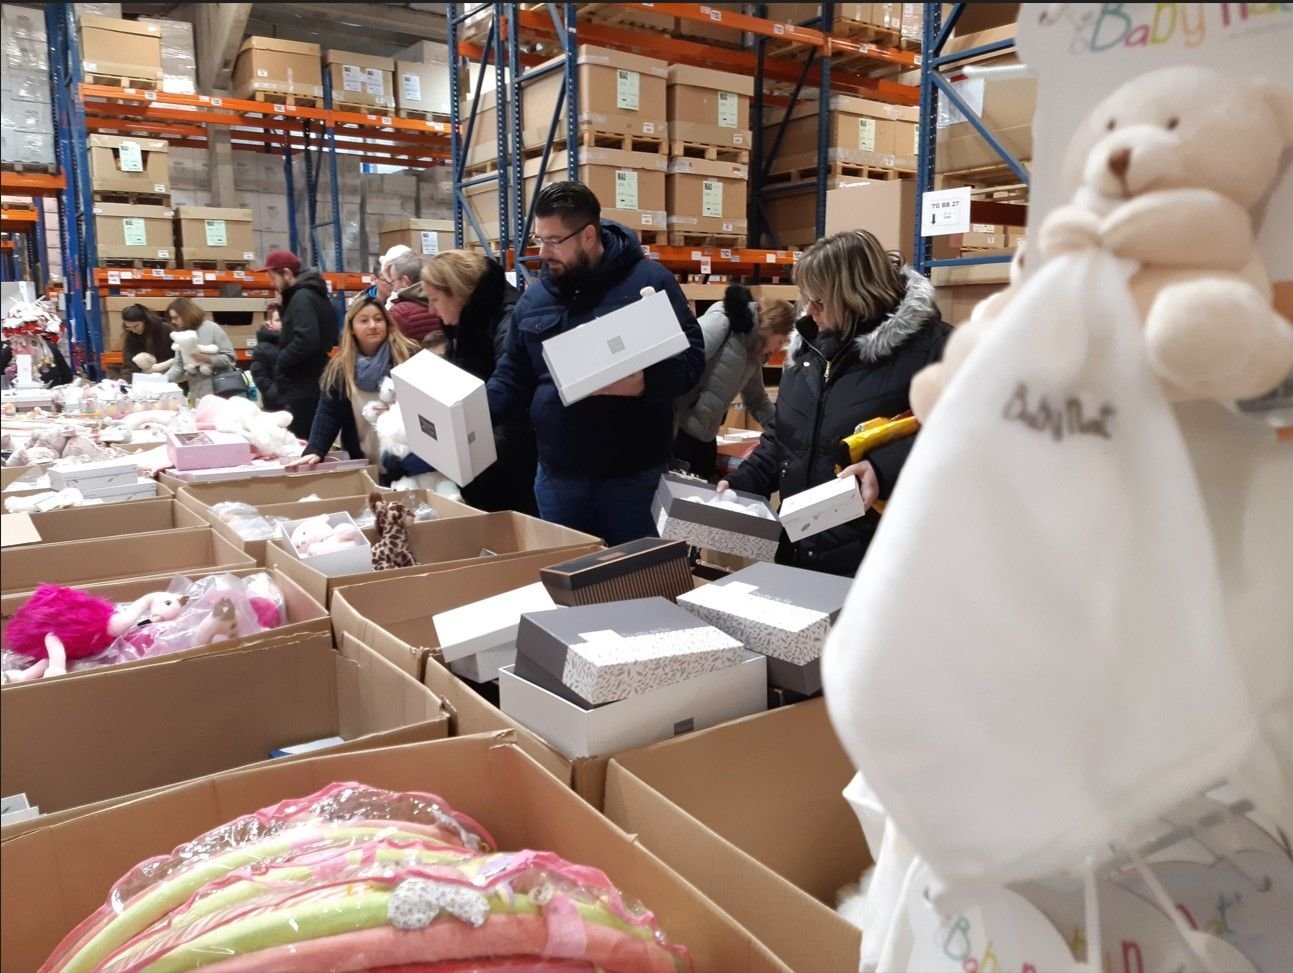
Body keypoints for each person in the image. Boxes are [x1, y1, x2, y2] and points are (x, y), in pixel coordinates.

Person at [717, 229, 951, 577]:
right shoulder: (809, 351)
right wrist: (743, 483)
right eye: (807, 298)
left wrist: (884, 468)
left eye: (821, 301)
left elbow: (965, 438)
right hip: (800, 549)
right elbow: (785, 436)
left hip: (877, 563)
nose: (809, 312)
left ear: (856, 295)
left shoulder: (933, 350)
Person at [485, 181, 705, 545]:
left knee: (636, 584)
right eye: (540, 239)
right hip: (558, 480)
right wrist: (468, 414)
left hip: (633, 480)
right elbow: (512, 376)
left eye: (555, 241)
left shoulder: (648, 282)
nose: (544, 252)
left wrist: (645, 382)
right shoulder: (535, 299)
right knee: (570, 586)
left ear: (588, 235)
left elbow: (693, 361)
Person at [420, 249, 538, 514]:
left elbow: (509, 392)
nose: (430, 309)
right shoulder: (466, 324)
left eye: (434, 299)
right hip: (487, 451)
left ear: (458, 294)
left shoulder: (506, 320)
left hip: (512, 461)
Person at [673, 284, 795, 480]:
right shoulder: (723, 323)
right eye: (780, 341)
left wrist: (782, 432)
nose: (778, 348)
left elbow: (757, 399)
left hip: (706, 434)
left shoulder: (753, 351)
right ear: (772, 327)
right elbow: (680, 366)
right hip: (678, 431)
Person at [292, 295, 418, 468]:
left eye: (378, 319)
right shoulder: (340, 369)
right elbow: (328, 414)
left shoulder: (408, 357)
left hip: (408, 463)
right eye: (364, 321)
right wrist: (315, 450)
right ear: (351, 328)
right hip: (364, 462)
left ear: (387, 324)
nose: (373, 326)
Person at [256, 249, 338, 440]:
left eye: (273, 277)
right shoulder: (310, 294)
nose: (272, 284)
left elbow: (305, 339)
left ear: (286, 273)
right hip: (311, 380)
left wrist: (281, 361)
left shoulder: (302, 298)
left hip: (303, 386)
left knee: (300, 443)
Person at [163, 297, 236, 400]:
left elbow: (230, 358)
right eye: (171, 318)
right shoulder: (181, 335)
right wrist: (161, 381)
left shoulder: (212, 328)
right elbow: (178, 365)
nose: (173, 322)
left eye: (175, 318)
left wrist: (208, 359)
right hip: (196, 393)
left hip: (220, 392)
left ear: (186, 314)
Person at [385, 251, 443, 345]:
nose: (392, 288)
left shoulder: (400, 312)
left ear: (404, 281)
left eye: (393, 282)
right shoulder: (443, 304)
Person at [118, 304, 172, 380]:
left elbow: (178, 356)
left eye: (136, 326)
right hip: (147, 377)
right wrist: (125, 382)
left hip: (171, 373)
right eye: (129, 327)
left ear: (145, 321)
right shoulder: (131, 336)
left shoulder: (164, 329)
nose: (133, 330)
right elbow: (129, 365)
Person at [249, 302, 283, 411]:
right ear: (270, 323)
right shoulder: (262, 349)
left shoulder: (298, 343)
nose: (282, 323)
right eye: (278, 320)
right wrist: (279, 395)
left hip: (298, 403)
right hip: (274, 406)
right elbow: (261, 378)